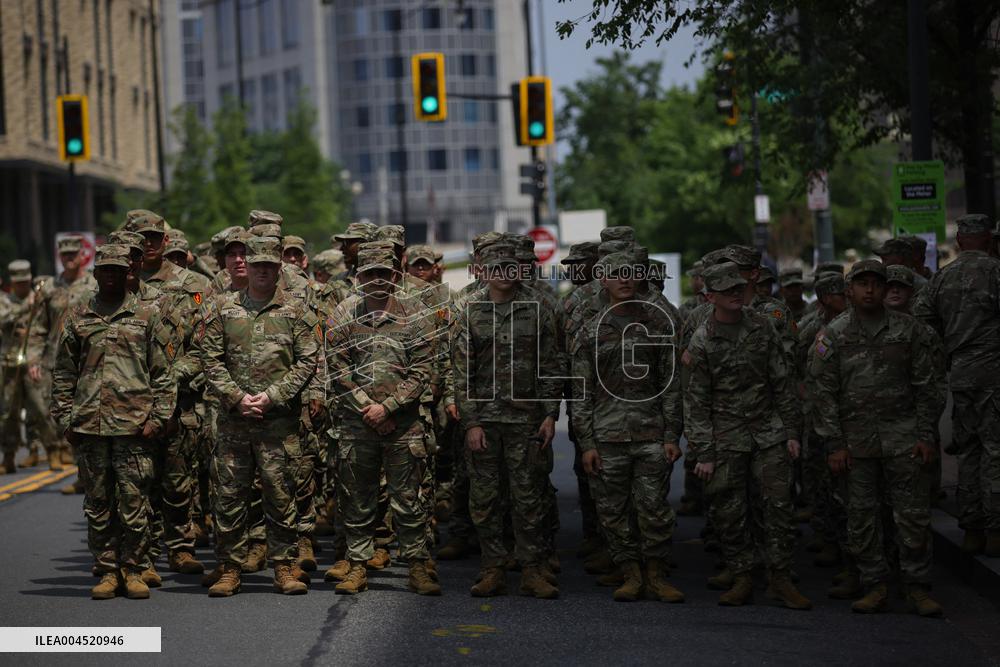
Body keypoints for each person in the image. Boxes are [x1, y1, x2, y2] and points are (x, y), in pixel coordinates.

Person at [811, 259, 943, 616]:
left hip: (904, 438)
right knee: (862, 517)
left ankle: (916, 586)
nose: (870, 290)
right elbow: (823, 394)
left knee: (912, 516)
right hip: (856, 443)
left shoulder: (909, 331)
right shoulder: (834, 335)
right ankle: (875, 585)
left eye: (876, 283)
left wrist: (927, 435)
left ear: (885, 289)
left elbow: (926, 387)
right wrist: (834, 445)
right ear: (849, 290)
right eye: (862, 283)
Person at [52, 245, 176, 600]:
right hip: (89, 426)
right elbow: (63, 373)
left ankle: (134, 569)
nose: (110, 276)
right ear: (96, 274)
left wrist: (158, 418)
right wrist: (64, 418)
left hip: (134, 427)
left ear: (128, 274)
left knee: (134, 502)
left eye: (117, 270)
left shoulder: (147, 316)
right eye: (105, 270)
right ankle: (107, 570)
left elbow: (163, 373)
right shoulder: (78, 317)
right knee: (98, 502)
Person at [198, 236, 319, 597]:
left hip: (278, 423)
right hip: (235, 423)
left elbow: (308, 360)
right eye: (257, 264)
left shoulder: (297, 311)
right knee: (229, 497)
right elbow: (210, 359)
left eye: (270, 265)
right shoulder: (222, 308)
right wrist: (237, 398)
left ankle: (283, 567)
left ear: (279, 268)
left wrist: (272, 396)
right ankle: (230, 568)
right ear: (246, 267)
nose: (263, 270)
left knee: (281, 495)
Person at [685, 262, 810, 610]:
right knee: (729, 509)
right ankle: (741, 575)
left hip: (768, 430)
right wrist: (704, 453)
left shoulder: (763, 327)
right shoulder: (702, 339)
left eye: (739, 288)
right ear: (710, 296)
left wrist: (791, 432)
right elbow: (695, 401)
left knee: (779, 505)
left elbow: (782, 383)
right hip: (725, 434)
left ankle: (780, 578)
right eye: (727, 290)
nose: (737, 294)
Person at [324, 243, 440, 596]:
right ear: (358, 277)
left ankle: (418, 565)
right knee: (358, 498)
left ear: (395, 275)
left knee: (408, 499)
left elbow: (423, 369)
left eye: (384, 273)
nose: (377, 279)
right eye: (369, 273)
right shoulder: (344, 314)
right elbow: (338, 370)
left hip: (404, 425)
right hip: (357, 425)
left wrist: (388, 408)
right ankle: (358, 564)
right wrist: (369, 410)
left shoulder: (417, 314)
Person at [453, 240, 563, 598]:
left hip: (526, 421)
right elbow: (461, 374)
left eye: (510, 267)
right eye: (496, 267)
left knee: (528, 498)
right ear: (484, 271)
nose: (504, 273)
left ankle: (532, 570)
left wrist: (550, 414)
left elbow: (551, 366)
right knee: (485, 501)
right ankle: (493, 569)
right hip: (485, 420)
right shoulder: (469, 310)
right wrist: (470, 423)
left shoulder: (537, 309)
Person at [573, 251, 684, 603]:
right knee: (613, 511)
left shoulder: (658, 323)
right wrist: (586, 443)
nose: (624, 279)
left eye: (630, 273)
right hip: (607, 437)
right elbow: (581, 392)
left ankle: (656, 574)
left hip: (651, 432)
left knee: (654, 508)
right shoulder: (589, 330)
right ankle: (630, 574)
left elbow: (671, 383)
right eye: (615, 273)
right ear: (601, 279)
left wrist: (671, 434)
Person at [913, 214, 1000, 557]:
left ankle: (973, 529)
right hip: (994, 372)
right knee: (995, 449)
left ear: (961, 242)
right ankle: (995, 529)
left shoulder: (942, 278)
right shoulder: (996, 272)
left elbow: (923, 323)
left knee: (969, 450)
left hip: (961, 372)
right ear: (988, 240)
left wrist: (948, 351)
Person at [0, 260, 61, 474]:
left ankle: (53, 450)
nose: (22, 287)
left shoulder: (40, 300)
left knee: (41, 408)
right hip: (10, 362)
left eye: (25, 282)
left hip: (34, 361)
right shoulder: (5, 300)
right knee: (9, 412)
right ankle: (8, 456)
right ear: (12, 282)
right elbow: (4, 319)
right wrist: (27, 306)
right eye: (18, 283)